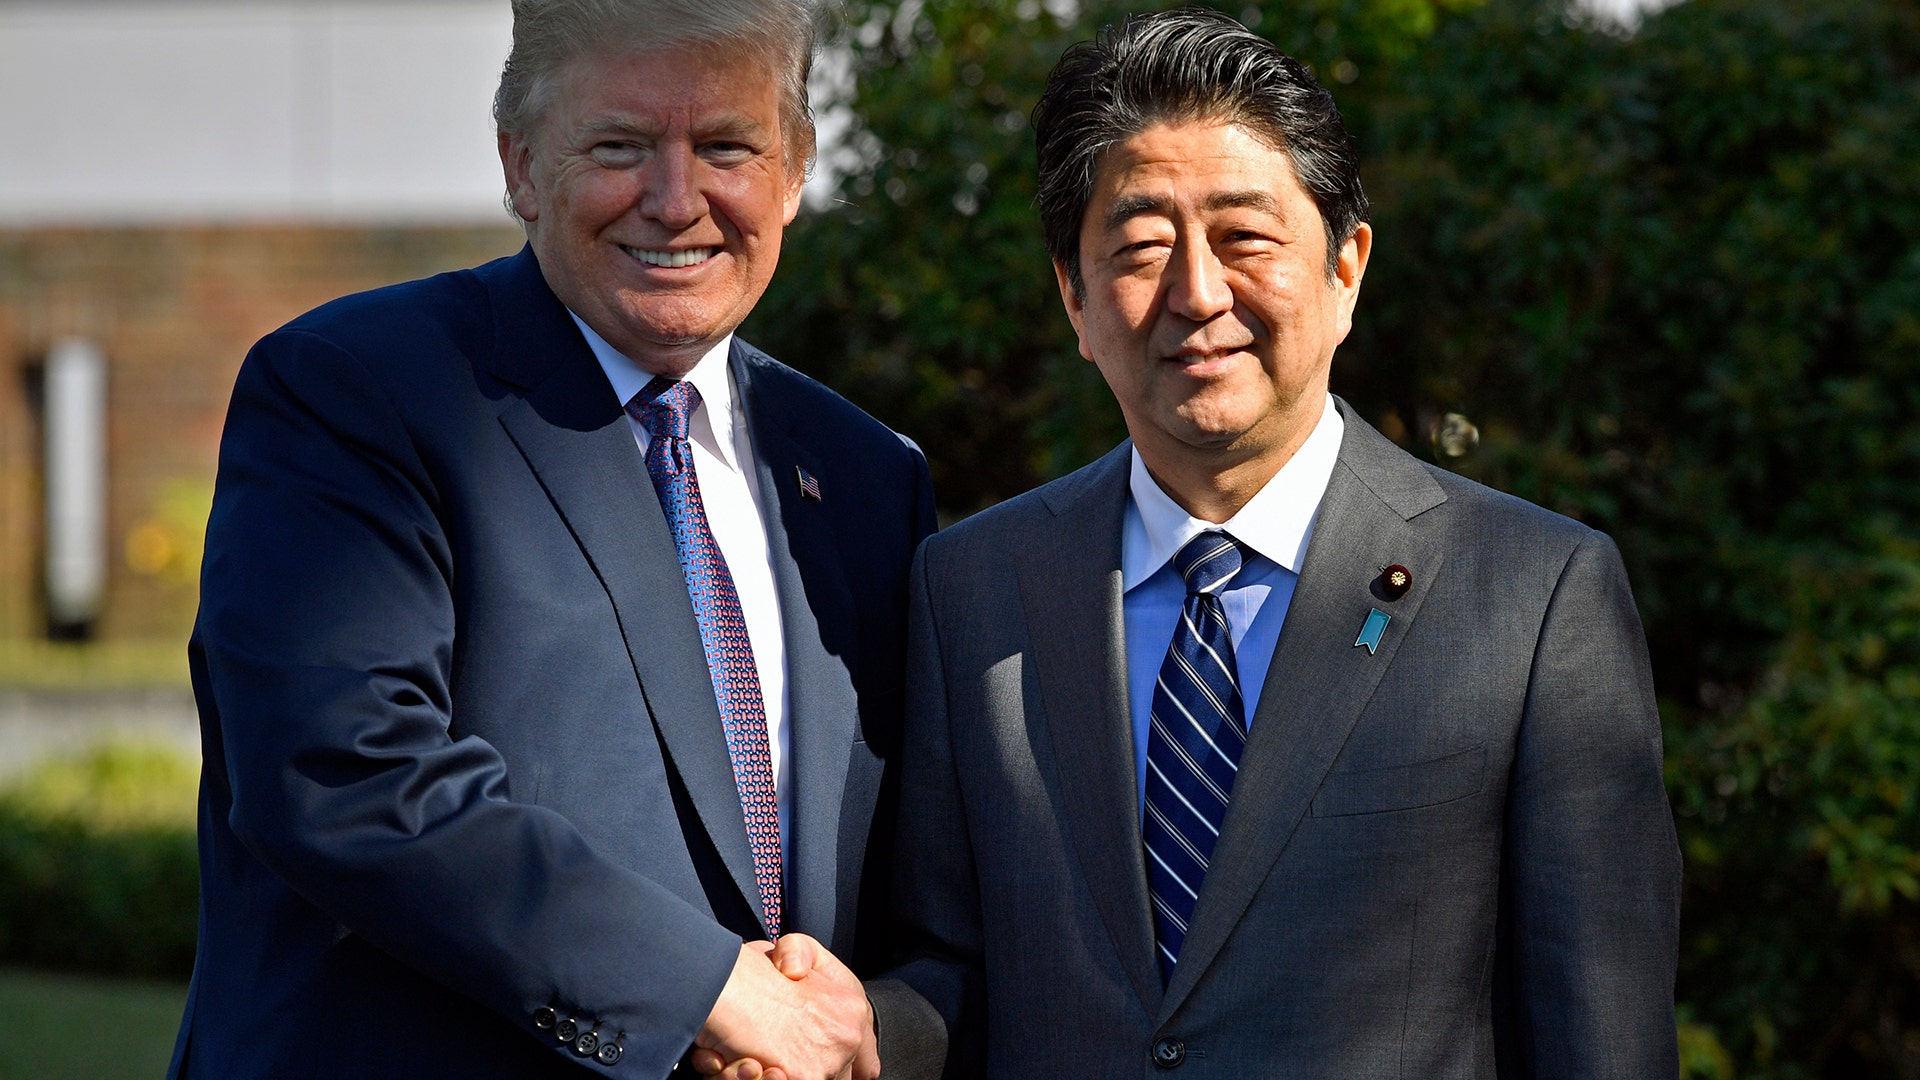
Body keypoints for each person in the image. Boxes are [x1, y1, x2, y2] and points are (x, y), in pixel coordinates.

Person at [884, 9, 1682, 1075]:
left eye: (1244, 237)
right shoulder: (973, 587)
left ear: (1346, 268)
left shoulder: (1533, 596)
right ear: (1074, 299)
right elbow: (951, 970)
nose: (1198, 294)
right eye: (1140, 247)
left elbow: (1601, 1031)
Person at [167, 1, 942, 1077]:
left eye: (726, 147)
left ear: (796, 169)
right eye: (620, 148)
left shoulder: (866, 477)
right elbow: (342, 774)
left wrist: (871, 1032)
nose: (677, 203)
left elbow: (930, 884)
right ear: (521, 166)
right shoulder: (359, 394)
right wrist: (705, 992)